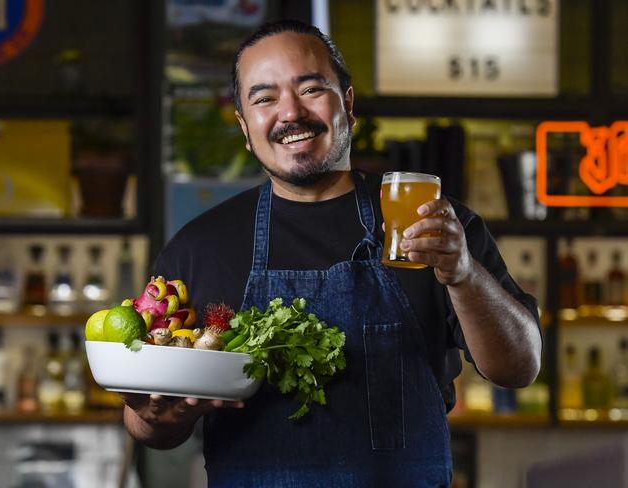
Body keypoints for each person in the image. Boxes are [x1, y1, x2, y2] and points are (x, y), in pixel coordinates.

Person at [122, 19, 542, 487]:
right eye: (264, 98)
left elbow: (519, 367)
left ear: (349, 103)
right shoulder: (199, 247)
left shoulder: (433, 225)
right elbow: (150, 428)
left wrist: (463, 274)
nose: (290, 113)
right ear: (245, 127)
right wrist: (153, 414)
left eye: (310, 88)